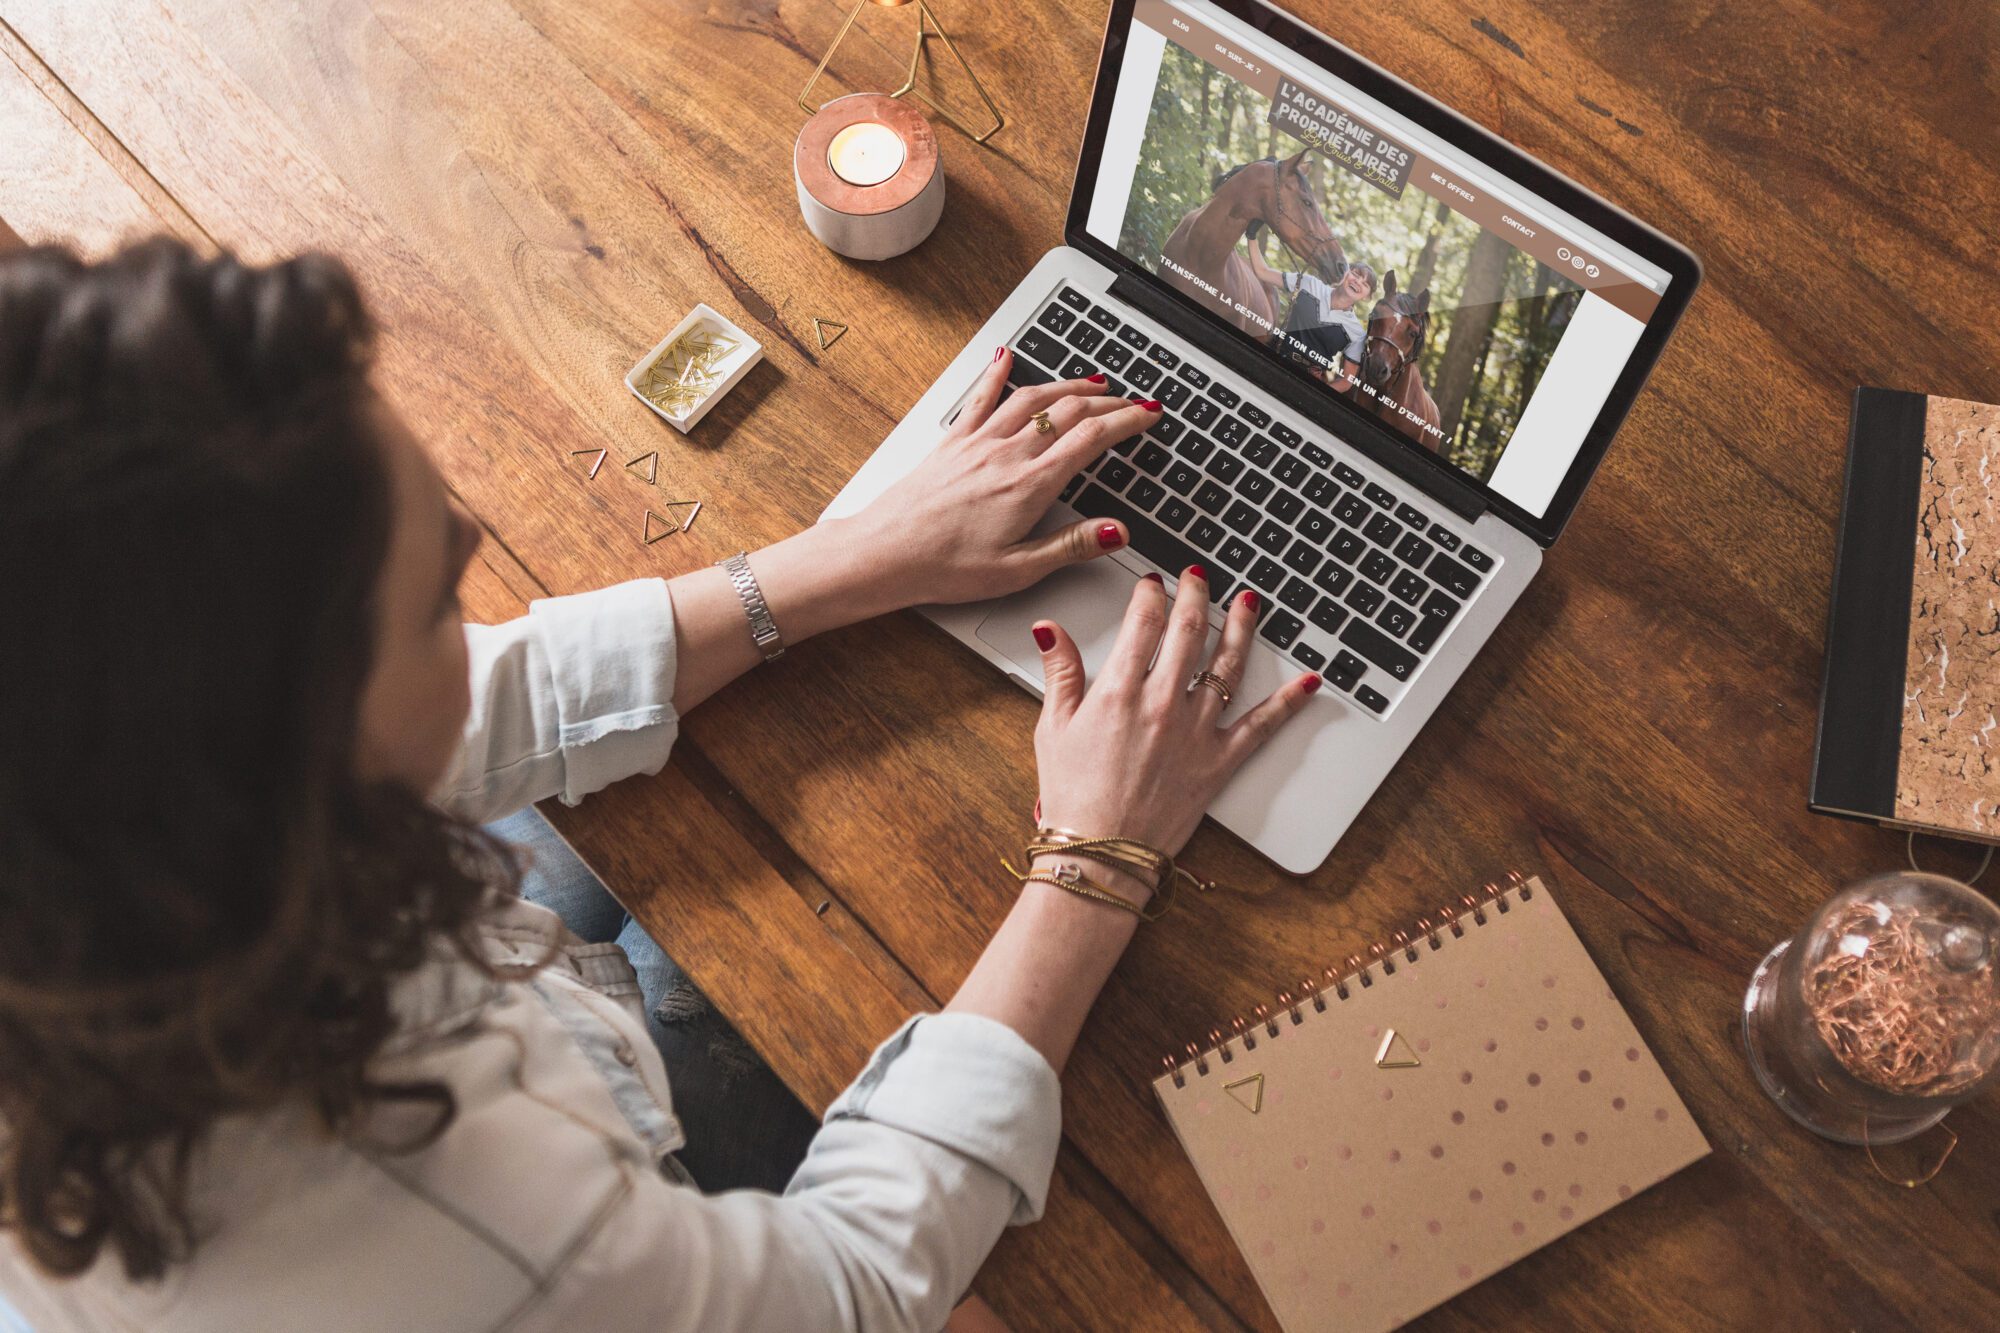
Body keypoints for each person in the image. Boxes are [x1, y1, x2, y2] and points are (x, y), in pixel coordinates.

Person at [0, 240, 1320, 1330]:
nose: (474, 542)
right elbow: (846, 1288)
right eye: (430, 605)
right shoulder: (455, 1226)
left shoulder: (90, 810)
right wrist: (1099, 858)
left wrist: (851, 559)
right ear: (277, 787)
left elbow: (463, 708)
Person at [1246, 239, 1377, 391]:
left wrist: (1315, 394)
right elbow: (1263, 272)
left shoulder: (1357, 334)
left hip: (1305, 382)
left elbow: (1346, 382)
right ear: (1345, 273)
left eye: (1365, 284)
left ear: (1367, 297)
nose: (1358, 282)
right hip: (1271, 357)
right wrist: (1252, 236)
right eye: (1355, 274)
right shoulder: (1310, 284)